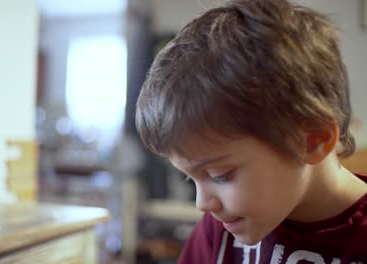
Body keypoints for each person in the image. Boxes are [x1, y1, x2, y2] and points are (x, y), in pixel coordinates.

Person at [135, 0, 367, 262]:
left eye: (221, 175)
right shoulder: (219, 232)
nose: (203, 204)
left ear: (313, 140)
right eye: (191, 178)